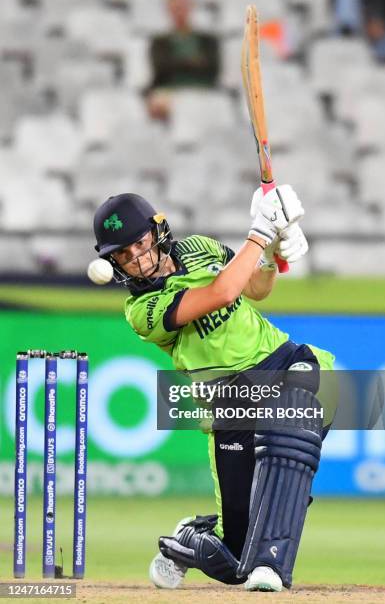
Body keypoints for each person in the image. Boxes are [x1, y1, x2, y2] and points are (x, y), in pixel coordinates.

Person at [92, 186, 335, 592]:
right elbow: (221, 292)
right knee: (232, 558)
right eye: (122, 254)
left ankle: (271, 564)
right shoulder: (141, 310)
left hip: (281, 361)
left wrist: (272, 256)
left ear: (158, 231)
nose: (135, 258)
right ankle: (189, 538)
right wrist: (260, 234)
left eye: (139, 243)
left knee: (291, 427)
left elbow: (254, 288)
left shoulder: (201, 248)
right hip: (228, 403)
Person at [146, 0, 219, 121]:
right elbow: (161, 69)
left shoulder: (208, 40)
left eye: (182, 7)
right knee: (157, 105)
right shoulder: (159, 42)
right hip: (170, 91)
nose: (179, 11)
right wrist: (194, 62)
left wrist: (177, 63)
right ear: (169, 10)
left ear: (190, 8)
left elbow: (213, 68)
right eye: (175, 8)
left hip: (203, 90)